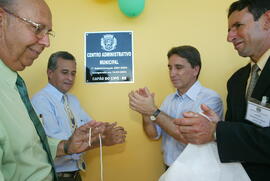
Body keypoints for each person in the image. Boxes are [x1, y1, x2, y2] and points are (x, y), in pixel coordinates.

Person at [0, 0, 122, 180]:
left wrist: (68, 145)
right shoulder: (40, 100)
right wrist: (99, 140)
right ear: (2, 19)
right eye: (37, 28)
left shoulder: (14, 84)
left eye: (48, 32)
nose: (47, 41)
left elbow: (29, 148)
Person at [174, 1, 270, 181]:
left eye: (238, 26)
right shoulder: (236, 81)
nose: (229, 37)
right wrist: (218, 124)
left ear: (267, 20)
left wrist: (217, 131)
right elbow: (240, 132)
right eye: (228, 30)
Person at [31, 51, 127, 181]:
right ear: (50, 73)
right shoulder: (41, 101)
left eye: (73, 73)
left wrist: (106, 130)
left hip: (75, 174)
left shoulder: (72, 100)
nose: (70, 78)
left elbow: (90, 127)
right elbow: (63, 146)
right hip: (55, 176)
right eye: (65, 72)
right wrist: (103, 140)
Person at [128, 45, 223, 169]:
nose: (172, 73)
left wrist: (153, 111)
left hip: (197, 170)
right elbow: (153, 134)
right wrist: (145, 113)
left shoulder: (210, 98)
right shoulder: (169, 99)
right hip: (169, 167)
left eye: (178, 67)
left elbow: (189, 137)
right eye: (170, 68)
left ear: (195, 70)